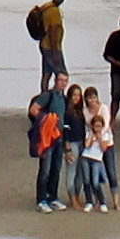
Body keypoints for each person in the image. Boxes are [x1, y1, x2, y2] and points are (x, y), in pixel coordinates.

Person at [30, 72, 70, 213]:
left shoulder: (64, 99)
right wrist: (47, 119)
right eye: (60, 80)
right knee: (45, 170)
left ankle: (52, 197)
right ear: (55, 80)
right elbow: (33, 109)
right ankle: (41, 200)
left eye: (65, 81)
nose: (63, 83)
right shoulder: (48, 95)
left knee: (56, 169)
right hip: (47, 138)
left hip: (59, 137)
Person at [82, 86, 119, 212]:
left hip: (106, 143)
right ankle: (97, 199)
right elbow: (87, 126)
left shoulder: (103, 108)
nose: (92, 100)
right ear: (86, 99)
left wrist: (99, 137)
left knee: (111, 171)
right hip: (93, 146)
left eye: (94, 97)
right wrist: (92, 138)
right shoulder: (85, 111)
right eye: (89, 98)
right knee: (93, 174)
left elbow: (106, 125)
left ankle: (115, 201)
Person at [34, 0, 67, 88]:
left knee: (46, 74)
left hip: (44, 45)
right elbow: (53, 32)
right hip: (51, 47)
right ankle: (57, 96)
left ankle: (44, 94)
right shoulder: (54, 11)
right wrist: (55, 53)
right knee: (62, 74)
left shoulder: (46, 7)